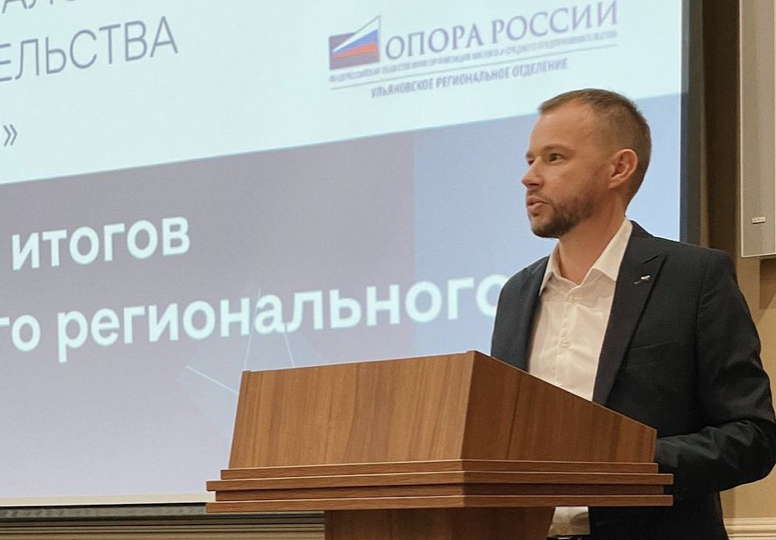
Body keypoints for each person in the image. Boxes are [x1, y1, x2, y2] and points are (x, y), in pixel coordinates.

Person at [490, 88, 776, 540]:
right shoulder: (516, 294)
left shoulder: (693, 278)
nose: (530, 177)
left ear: (619, 168)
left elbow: (751, 437)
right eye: (530, 160)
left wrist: (622, 464)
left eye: (554, 158)